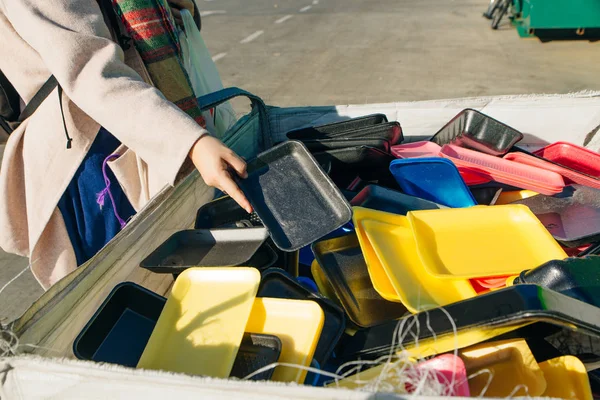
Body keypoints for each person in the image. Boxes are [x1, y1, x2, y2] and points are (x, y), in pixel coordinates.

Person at [0, 0, 251, 289]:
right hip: (91, 154)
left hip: (146, 128)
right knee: (136, 296)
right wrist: (191, 142)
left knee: (174, 286)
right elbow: (89, 69)